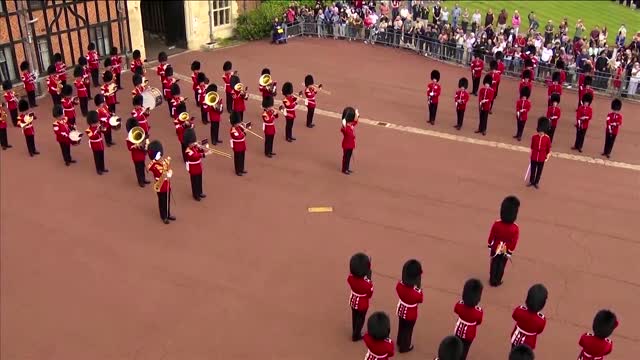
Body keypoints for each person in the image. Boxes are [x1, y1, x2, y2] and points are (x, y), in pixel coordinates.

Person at [487, 196, 520, 286]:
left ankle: (492, 279)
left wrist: (490, 244)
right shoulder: (515, 228)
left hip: (495, 247)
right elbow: (514, 241)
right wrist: (510, 251)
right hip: (506, 249)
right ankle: (498, 280)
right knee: (502, 265)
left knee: (494, 262)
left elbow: (492, 235)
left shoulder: (497, 223)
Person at [396, 259, 423, 353]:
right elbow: (420, 300)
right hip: (411, 314)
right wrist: (418, 286)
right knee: (408, 331)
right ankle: (405, 347)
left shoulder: (399, 285)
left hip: (401, 309)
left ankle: (399, 341)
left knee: (401, 325)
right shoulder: (417, 293)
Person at [511, 284, 548, 351]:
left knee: (514, 352)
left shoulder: (519, 310)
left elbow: (514, 316)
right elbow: (539, 331)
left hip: (516, 338)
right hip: (529, 343)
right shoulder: (541, 320)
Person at [454, 279, 484, 359]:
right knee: (465, 349)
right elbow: (478, 322)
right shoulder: (478, 311)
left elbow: (456, 310)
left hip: (458, 329)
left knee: (456, 346)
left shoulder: (459, 305)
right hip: (470, 333)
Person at [147, 140, 176, 224]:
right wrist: (166, 173)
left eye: (159, 154)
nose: (159, 157)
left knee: (167, 200)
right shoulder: (153, 165)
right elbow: (158, 173)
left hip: (167, 183)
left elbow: (169, 169)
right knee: (162, 201)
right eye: (157, 155)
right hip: (160, 184)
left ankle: (168, 214)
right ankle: (163, 216)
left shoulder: (164, 161)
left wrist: (170, 172)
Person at [348, 252, 373, 342]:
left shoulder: (350, 278)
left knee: (354, 316)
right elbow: (370, 295)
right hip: (362, 303)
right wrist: (369, 278)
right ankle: (356, 335)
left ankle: (354, 330)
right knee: (360, 319)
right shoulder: (367, 283)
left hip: (353, 300)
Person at [124, 118, 150, 188]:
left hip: (141, 153)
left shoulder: (139, 133)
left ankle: (143, 179)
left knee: (142, 167)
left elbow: (144, 140)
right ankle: (140, 181)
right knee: (138, 169)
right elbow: (129, 148)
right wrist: (135, 146)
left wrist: (144, 142)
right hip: (136, 156)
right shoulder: (129, 138)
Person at [183, 127, 207, 201]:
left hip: (198, 166)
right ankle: (195, 195)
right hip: (193, 168)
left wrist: (201, 147)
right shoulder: (187, 151)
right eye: (192, 143)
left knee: (199, 180)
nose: (193, 143)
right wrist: (204, 154)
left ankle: (200, 192)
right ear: (188, 143)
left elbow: (199, 151)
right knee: (194, 182)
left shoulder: (194, 147)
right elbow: (194, 156)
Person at [528, 118, 551, 188]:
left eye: (542, 131)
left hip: (541, 157)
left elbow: (548, 149)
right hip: (534, 156)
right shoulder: (534, 137)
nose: (540, 133)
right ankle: (531, 181)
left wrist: (547, 156)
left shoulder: (547, 138)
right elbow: (532, 147)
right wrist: (531, 155)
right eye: (540, 131)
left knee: (539, 171)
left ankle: (536, 182)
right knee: (533, 170)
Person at [84, 110, 108, 175]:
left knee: (101, 157)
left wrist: (103, 128)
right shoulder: (88, 130)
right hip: (95, 146)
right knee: (97, 158)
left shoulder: (98, 126)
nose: (96, 124)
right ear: (90, 123)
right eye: (95, 123)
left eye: (97, 122)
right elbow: (92, 137)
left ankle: (102, 168)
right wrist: (97, 131)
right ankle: (98, 169)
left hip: (100, 144)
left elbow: (104, 131)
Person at [341, 106, 358, 175]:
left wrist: (356, 115)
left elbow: (355, 122)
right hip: (346, 145)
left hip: (351, 145)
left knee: (348, 158)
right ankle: (344, 169)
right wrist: (344, 124)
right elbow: (343, 129)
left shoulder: (351, 125)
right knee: (346, 158)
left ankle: (347, 168)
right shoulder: (345, 128)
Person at [230, 111, 247, 176]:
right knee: (237, 158)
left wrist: (244, 127)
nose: (239, 123)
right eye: (238, 122)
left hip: (242, 145)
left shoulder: (238, 127)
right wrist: (244, 132)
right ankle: (238, 170)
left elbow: (241, 133)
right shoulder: (233, 130)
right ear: (234, 123)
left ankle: (241, 169)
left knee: (242, 157)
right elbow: (238, 137)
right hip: (237, 146)